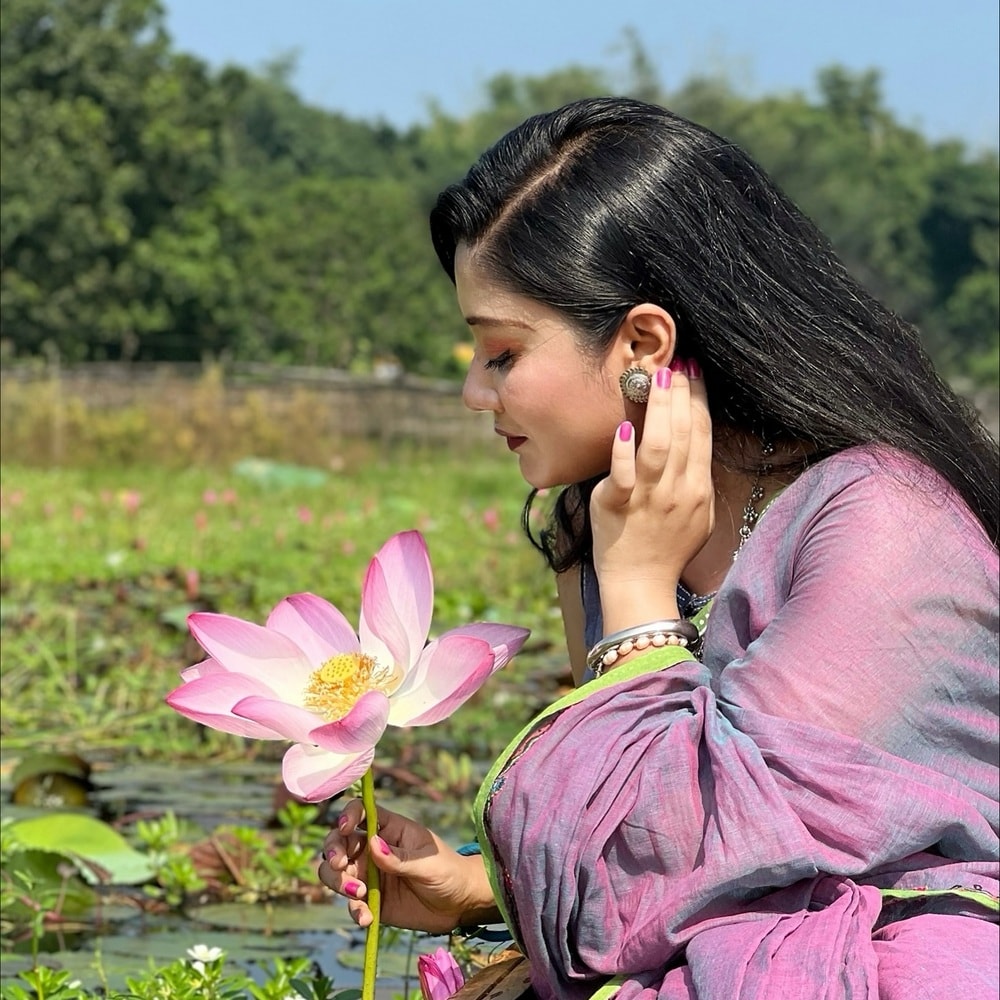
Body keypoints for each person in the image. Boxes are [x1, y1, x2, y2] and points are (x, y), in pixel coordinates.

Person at [318, 97, 999, 999]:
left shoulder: (881, 519)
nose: (476, 395)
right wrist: (481, 889)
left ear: (644, 343)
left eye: (501, 353)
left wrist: (640, 595)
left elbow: (672, 863)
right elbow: (633, 850)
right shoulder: (592, 526)